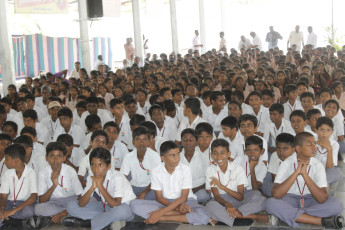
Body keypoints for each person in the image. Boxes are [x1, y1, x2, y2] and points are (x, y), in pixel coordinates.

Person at [266, 132, 344, 229]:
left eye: (314, 143)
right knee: (271, 203)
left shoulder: (317, 165)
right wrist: (296, 172)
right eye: (309, 144)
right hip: (290, 199)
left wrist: (305, 175)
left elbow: (322, 198)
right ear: (298, 148)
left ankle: (292, 215)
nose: (314, 147)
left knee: (337, 205)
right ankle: (320, 221)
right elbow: (276, 194)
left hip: (311, 199)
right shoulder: (286, 164)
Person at [130, 141, 210, 226]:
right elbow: (159, 197)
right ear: (163, 158)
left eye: (178, 154)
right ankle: (182, 215)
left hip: (186, 202)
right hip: (164, 202)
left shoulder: (185, 169)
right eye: (172, 155)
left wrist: (160, 213)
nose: (177, 158)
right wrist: (177, 209)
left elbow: (184, 197)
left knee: (204, 215)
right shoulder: (156, 171)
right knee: (134, 204)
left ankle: (163, 217)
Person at [64, 147, 136, 229]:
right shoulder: (91, 178)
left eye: (100, 165)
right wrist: (92, 187)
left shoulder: (118, 177)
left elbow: (115, 204)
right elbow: (81, 204)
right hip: (104, 206)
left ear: (108, 166)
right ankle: (108, 221)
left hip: (122, 206)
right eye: (93, 165)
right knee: (71, 205)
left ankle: (89, 223)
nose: (96, 169)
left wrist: (100, 186)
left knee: (121, 212)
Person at [205, 138, 269, 227]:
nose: (219, 157)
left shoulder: (238, 169)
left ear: (228, 154)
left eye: (222, 153)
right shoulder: (210, 170)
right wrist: (227, 204)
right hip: (222, 201)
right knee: (210, 206)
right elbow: (216, 196)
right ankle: (253, 216)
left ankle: (224, 216)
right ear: (211, 155)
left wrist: (222, 187)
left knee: (262, 199)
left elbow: (240, 197)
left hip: (239, 198)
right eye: (215, 153)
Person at [34, 142, 83, 227]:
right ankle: (72, 214)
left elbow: (80, 195)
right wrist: (54, 185)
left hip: (71, 200)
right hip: (54, 202)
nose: (55, 160)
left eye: (59, 156)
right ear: (46, 158)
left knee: (91, 200)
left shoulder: (70, 171)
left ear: (64, 158)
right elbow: (42, 200)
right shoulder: (43, 173)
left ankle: (64, 214)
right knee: (38, 208)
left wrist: (63, 213)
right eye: (52, 156)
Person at [0, 144, 37, 229]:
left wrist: (12, 211)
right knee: (2, 214)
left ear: (16, 161)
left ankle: (9, 220)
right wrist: (2, 209)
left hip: (24, 204)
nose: (4, 162)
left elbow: (33, 197)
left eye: (6, 159)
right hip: (9, 203)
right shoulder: (7, 173)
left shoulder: (31, 173)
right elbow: (3, 196)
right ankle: (15, 222)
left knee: (29, 212)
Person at [120, 127, 161, 200]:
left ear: (148, 141)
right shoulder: (128, 156)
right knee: (122, 198)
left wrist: (144, 193)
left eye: (144, 139)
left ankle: (138, 204)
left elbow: (156, 179)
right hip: (133, 188)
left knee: (157, 196)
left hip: (150, 188)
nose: (141, 143)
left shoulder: (155, 156)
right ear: (133, 142)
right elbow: (124, 177)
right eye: (138, 139)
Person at [315, 117, 342, 184]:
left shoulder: (334, 144)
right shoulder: (312, 142)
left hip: (326, 174)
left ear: (332, 131)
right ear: (316, 130)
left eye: (328, 130)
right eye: (322, 130)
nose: (325, 133)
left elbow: (330, 168)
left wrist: (329, 149)